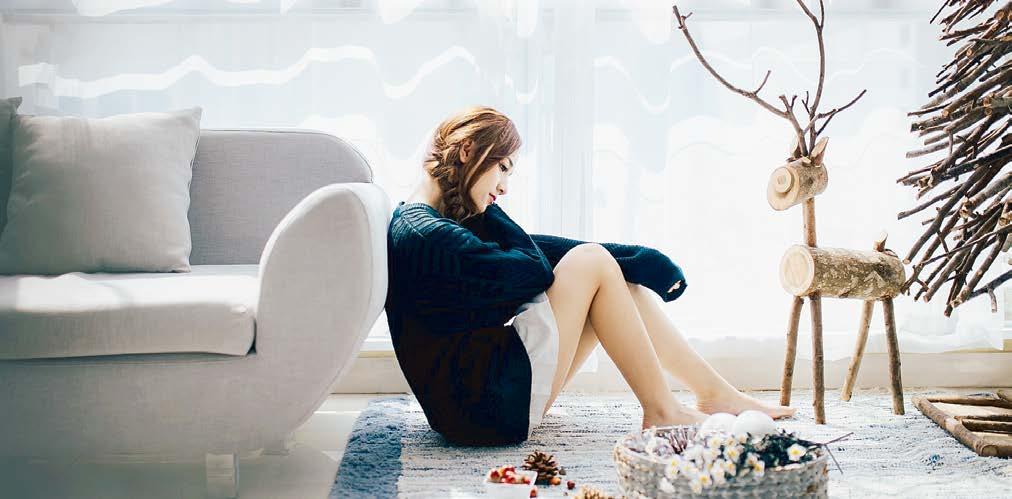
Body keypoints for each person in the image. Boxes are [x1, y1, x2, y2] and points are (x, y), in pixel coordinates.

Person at [385, 106, 795, 446]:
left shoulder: (429, 224)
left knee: (611, 277)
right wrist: (492, 214)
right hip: (484, 408)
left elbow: (540, 252)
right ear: (467, 151)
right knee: (593, 262)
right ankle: (663, 410)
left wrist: (639, 260)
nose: (504, 187)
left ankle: (713, 393)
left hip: (482, 402)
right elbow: (533, 269)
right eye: (503, 168)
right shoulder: (431, 235)